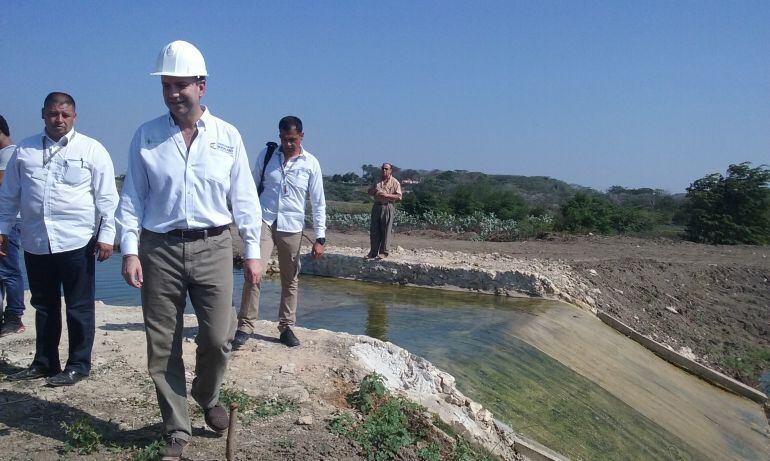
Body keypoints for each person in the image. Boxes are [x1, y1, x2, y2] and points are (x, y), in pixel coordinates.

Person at [116, 40, 263, 461]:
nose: (174, 93)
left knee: (218, 338)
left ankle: (206, 393)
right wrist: (129, 251)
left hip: (214, 246)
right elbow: (133, 199)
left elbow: (245, 199)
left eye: (181, 85)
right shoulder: (146, 136)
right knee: (163, 344)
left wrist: (252, 252)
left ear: (202, 86)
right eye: (167, 86)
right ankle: (177, 428)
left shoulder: (227, 136)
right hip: (158, 248)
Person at [0, 93, 118, 386]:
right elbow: (9, 196)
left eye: (65, 115)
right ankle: (45, 362)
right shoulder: (24, 151)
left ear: (74, 116)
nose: (59, 120)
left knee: (79, 306)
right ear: (43, 114)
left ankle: (78, 364)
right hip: (36, 240)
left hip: (77, 241)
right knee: (43, 305)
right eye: (53, 114)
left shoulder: (91, 149)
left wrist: (107, 236)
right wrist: (1, 230)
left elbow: (107, 197)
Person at [232, 116, 326, 350]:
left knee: (290, 278)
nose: (288, 144)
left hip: (292, 226)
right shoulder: (267, 155)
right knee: (254, 272)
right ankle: (245, 325)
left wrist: (320, 237)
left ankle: (286, 326)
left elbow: (318, 202)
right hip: (263, 220)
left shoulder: (311, 163)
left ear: (301, 136)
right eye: (284, 139)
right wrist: (243, 220)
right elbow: (251, 187)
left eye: (292, 139)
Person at [0, 115, 25, 336]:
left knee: (8, 270)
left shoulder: (11, 154)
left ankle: (14, 316)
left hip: (8, 222)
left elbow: (4, 183)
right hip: (5, 221)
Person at [366, 163, 402, 259]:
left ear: (390, 170)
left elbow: (399, 196)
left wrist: (387, 196)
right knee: (374, 230)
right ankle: (373, 252)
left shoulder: (395, 182)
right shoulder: (377, 181)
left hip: (387, 206)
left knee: (386, 230)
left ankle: (384, 252)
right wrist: (374, 191)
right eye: (382, 168)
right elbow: (369, 191)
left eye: (386, 169)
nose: (384, 170)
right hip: (377, 206)